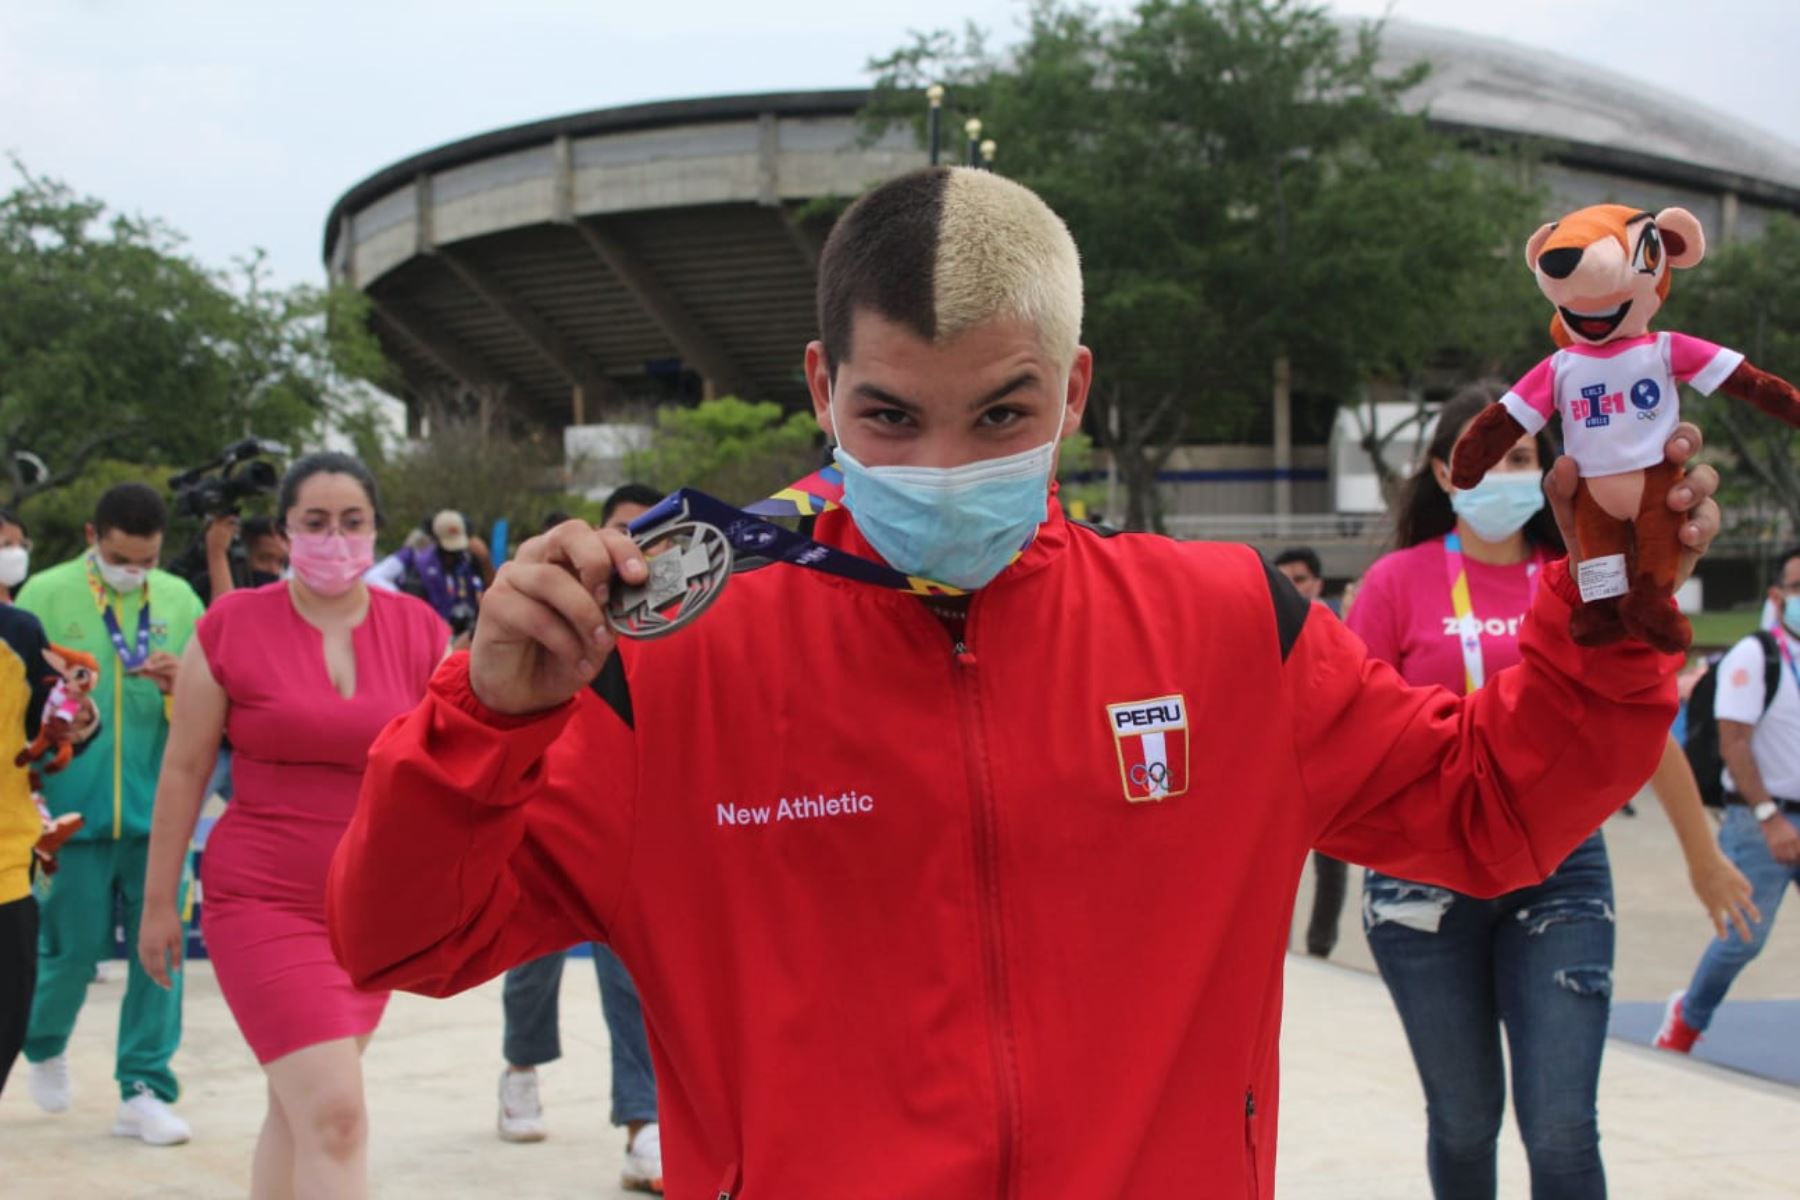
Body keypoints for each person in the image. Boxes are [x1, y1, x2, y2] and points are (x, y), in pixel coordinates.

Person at [326, 167, 1722, 1198]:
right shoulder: (673, 663)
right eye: (890, 414)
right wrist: (487, 716)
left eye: (1001, 412)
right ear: (822, 387)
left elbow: (1487, 810)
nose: (943, 464)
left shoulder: (1227, 626)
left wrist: (1622, 600)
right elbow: (400, 944)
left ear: (1076, 390)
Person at [1346, 384, 1753, 1199]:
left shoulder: (1585, 584)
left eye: (1523, 456)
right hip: (1424, 878)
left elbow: (1637, 724)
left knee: (1562, 1127)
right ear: (1442, 470)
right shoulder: (1395, 583)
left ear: (1548, 470)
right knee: (1463, 1123)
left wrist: (1703, 856)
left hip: (1562, 869)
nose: (1504, 469)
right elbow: (1351, 731)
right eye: (1484, 456)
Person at [138, 452, 446, 1197]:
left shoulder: (423, 631)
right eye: (315, 522)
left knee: (300, 1111)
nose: (335, 539)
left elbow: (445, 770)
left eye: (352, 522)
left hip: (370, 910)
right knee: (337, 1116)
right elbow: (184, 769)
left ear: (376, 530)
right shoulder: (231, 624)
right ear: (284, 531)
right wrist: (157, 903)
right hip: (262, 898)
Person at [16, 484, 204, 1144]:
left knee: (162, 954)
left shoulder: (181, 599)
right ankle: (42, 1041)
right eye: (123, 558)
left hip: (161, 812)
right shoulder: (46, 592)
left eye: (147, 560)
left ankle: (144, 1085)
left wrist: (184, 684)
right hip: (70, 812)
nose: (135, 571)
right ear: (94, 535)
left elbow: (212, 709)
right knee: (69, 953)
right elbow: (21, 701)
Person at [495, 487, 665, 1194]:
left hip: (634, 822)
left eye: (646, 536)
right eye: (620, 531)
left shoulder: (678, 617)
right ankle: (522, 1069)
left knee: (627, 969)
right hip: (553, 812)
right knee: (533, 963)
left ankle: (641, 1124)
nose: (631, 549)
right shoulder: (554, 607)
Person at [1657, 545, 1800, 1053]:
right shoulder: (1755, 655)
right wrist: (1768, 817)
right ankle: (1686, 1019)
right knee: (1744, 935)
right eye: (1797, 587)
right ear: (1778, 596)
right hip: (1760, 816)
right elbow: (1733, 741)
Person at [1, 504, 100, 1097]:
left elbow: (51, 734)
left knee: (8, 1026)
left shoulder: (19, 633)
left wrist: (79, 724)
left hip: (8, 866)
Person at [1275, 547, 1350, 959]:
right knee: (1271, 865)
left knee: (1332, 862)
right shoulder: (1266, 625)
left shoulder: (1341, 630)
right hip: (1280, 765)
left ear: (1318, 583)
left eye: (1300, 579)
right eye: (1283, 577)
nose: (1292, 586)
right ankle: (1275, 948)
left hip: (1330, 762)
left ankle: (1320, 945)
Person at [367, 510, 488, 639]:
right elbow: (372, 577)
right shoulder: (415, 559)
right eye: (448, 551)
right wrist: (402, 599)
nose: (452, 555)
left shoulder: (466, 562)